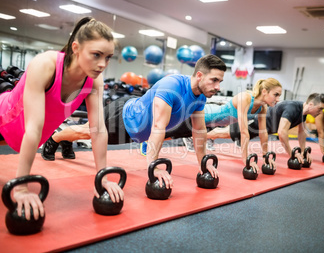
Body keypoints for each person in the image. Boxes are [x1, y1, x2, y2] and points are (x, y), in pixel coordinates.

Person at [0, 17, 124, 220]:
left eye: (108, 57)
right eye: (96, 55)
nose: (102, 64)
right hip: (3, 122)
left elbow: (98, 129)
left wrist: (103, 178)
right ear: (76, 48)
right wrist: (21, 188)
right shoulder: (45, 65)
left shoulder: (94, 80)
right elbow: (33, 127)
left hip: (25, 137)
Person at [41, 54, 227, 189]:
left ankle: (64, 139)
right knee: (85, 132)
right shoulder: (172, 86)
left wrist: (204, 164)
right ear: (200, 76)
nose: (218, 87)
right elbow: (157, 127)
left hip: (140, 131)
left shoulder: (200, 97)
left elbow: (199, 131)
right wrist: (153, 167)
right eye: (214, 80)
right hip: (123, 119)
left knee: (85, 132)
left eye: (220, 81)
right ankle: (56, 138)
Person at [178, 78, 282, 173]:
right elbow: (244, 132)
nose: (278, 99)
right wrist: (246, 159)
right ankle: (190, 137)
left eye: (279, 96)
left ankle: (195, 137)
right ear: (264, 91)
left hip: (215, 123)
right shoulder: (245, 98)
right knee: (167, 135)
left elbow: (263, 133)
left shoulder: (262, 108)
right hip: (206, 115)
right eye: (276, 94)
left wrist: (265, 156)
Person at [211, 93, 324, 164]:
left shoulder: (303, 113)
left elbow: (301, 133)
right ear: (311, 105)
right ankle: (199, 136)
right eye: (320, 109)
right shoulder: (292, 108)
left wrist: (302, 152)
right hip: (254, 122)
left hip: (263, 130)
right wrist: (292, 154)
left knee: (225, 134)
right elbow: (282, 133)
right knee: (223, 133)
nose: (321, 112)